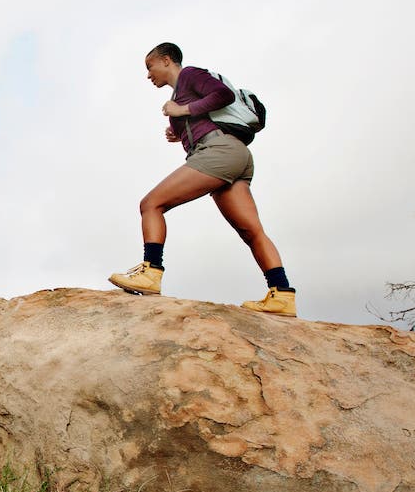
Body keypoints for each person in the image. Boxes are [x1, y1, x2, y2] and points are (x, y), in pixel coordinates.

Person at [108, 42, 297, 316]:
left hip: (220, 151)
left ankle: (150, 272)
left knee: (151, 204)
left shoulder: (190, 75)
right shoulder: (179, 95)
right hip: (234, 155)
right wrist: (177, 132)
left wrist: (182, 112)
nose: (148, 75)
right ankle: (282, 295)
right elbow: (201, 120)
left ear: (166, 61)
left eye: (150, 67)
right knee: (251, 231)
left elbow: (223, 95)